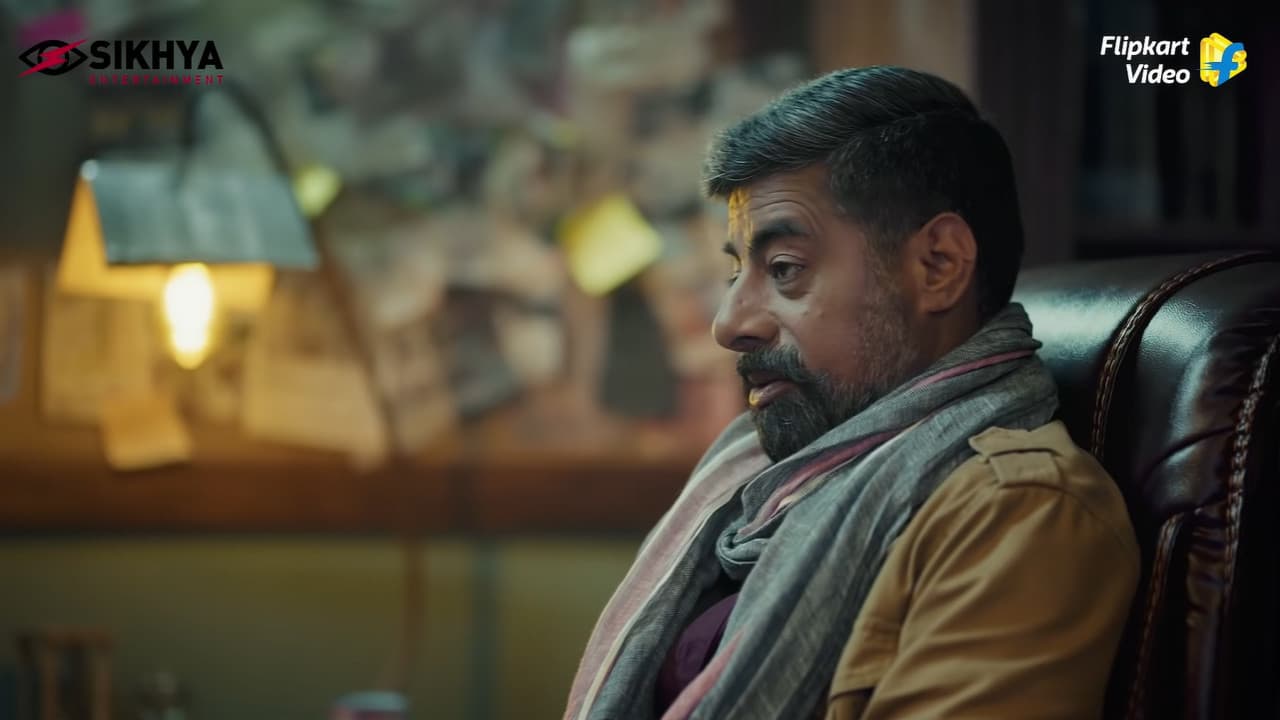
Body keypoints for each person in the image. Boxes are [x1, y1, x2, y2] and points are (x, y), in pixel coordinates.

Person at [564, 66, 1138, 720]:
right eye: (736, 271)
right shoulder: (761, 476)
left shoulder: (1018, 514)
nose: (729, 323)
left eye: (784, 269)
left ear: (938, 266)